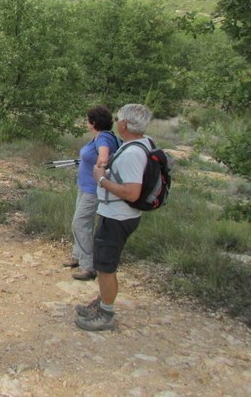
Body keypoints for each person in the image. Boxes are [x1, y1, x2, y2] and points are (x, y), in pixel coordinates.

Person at [77, 103, 153, 332]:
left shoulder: (132, 153)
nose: (117, 121)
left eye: (120, 118)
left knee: (106, 266)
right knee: (103, 263)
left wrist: (102, 179)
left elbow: (132, 192)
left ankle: (106, 313)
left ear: (125, 124)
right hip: (117, 213)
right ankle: (102, 302)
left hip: (118, 216)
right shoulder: (141, 143)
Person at [65, 105, 119, 281]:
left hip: (93, 189)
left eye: (87, 119)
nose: (86, 122)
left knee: (80, 223)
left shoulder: (104, 138)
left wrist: (100, 166)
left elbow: (103, 157)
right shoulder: (99, 137)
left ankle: (88, 266)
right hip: (85, 186)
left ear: (93, 122)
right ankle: (77, 256)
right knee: (80, 221)